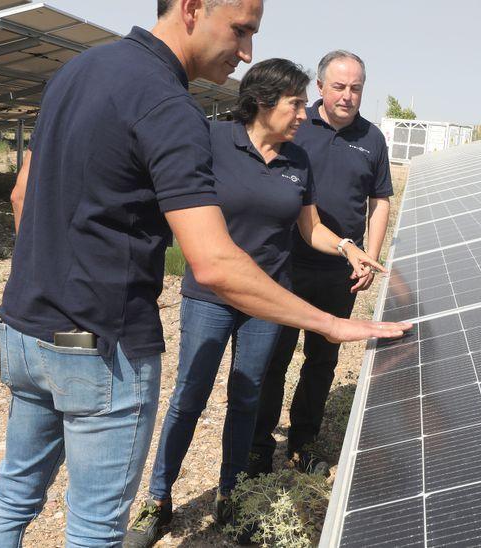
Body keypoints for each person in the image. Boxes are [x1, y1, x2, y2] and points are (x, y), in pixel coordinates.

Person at [0, 1, 410, 545]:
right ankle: (159, 500)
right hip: (102, 345)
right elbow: (214, 264)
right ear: (193, 8)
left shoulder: (79, 69)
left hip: (22, 329)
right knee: (95, 528)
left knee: (13, 498)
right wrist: (331, 323)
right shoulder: (171, 106)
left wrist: (57, 282)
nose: (246, 51)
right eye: (241, 30)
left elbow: (21, 194)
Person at [123, 58, 384, 547]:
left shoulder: (296, 159)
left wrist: (350, 248)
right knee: (189, 396)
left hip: (268, 296)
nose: (304, 114)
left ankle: (231, 492)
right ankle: (156, 501)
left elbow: (310, 228)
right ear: (264, 103)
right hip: (212, 294)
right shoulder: (214, 138)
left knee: (247, 397)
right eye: (295, 104)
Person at [250, 50, 394, 476]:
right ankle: (258, 446)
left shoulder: (372, 139)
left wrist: (369, 255)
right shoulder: (295, 127)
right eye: (339, 87)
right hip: (289, 266)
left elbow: (380, 200)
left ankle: (303, 443)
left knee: (322, 360)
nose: (348, 96)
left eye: (356, 88)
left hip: (339, 274)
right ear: (320, 87)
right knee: (274, 358)